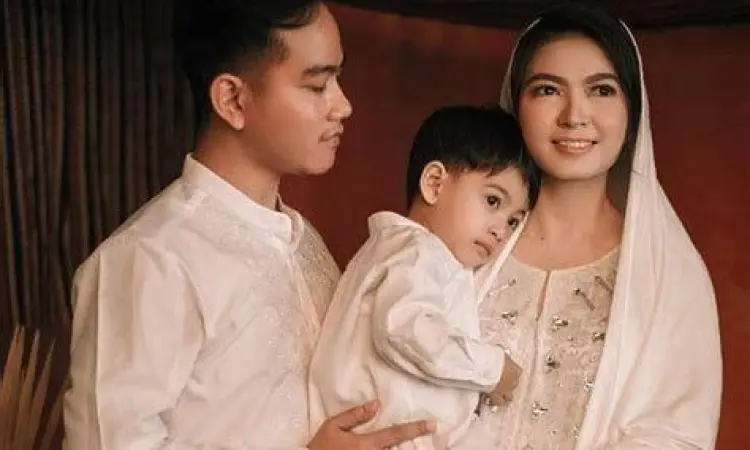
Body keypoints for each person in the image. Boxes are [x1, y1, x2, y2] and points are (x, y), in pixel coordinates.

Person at [63, 1, 434, 448]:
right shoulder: (150, 257)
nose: (343, 105)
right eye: (317, 85)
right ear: (232, 99)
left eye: (338, 79)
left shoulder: (302, 240)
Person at [468, 4, 722, 449]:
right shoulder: (462, 240)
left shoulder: (668, 274)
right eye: (548, 90)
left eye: (602, 90)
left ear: (632, 111)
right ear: (517, 106)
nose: (574, 115)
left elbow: (676, 435)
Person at [309, 105, 538, 450]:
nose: (500, 230)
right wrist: (492, 368)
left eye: (513, 221)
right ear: (434, 184)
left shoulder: (400, 250)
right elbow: (405, 328)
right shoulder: (417, 251)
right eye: (493, 201)